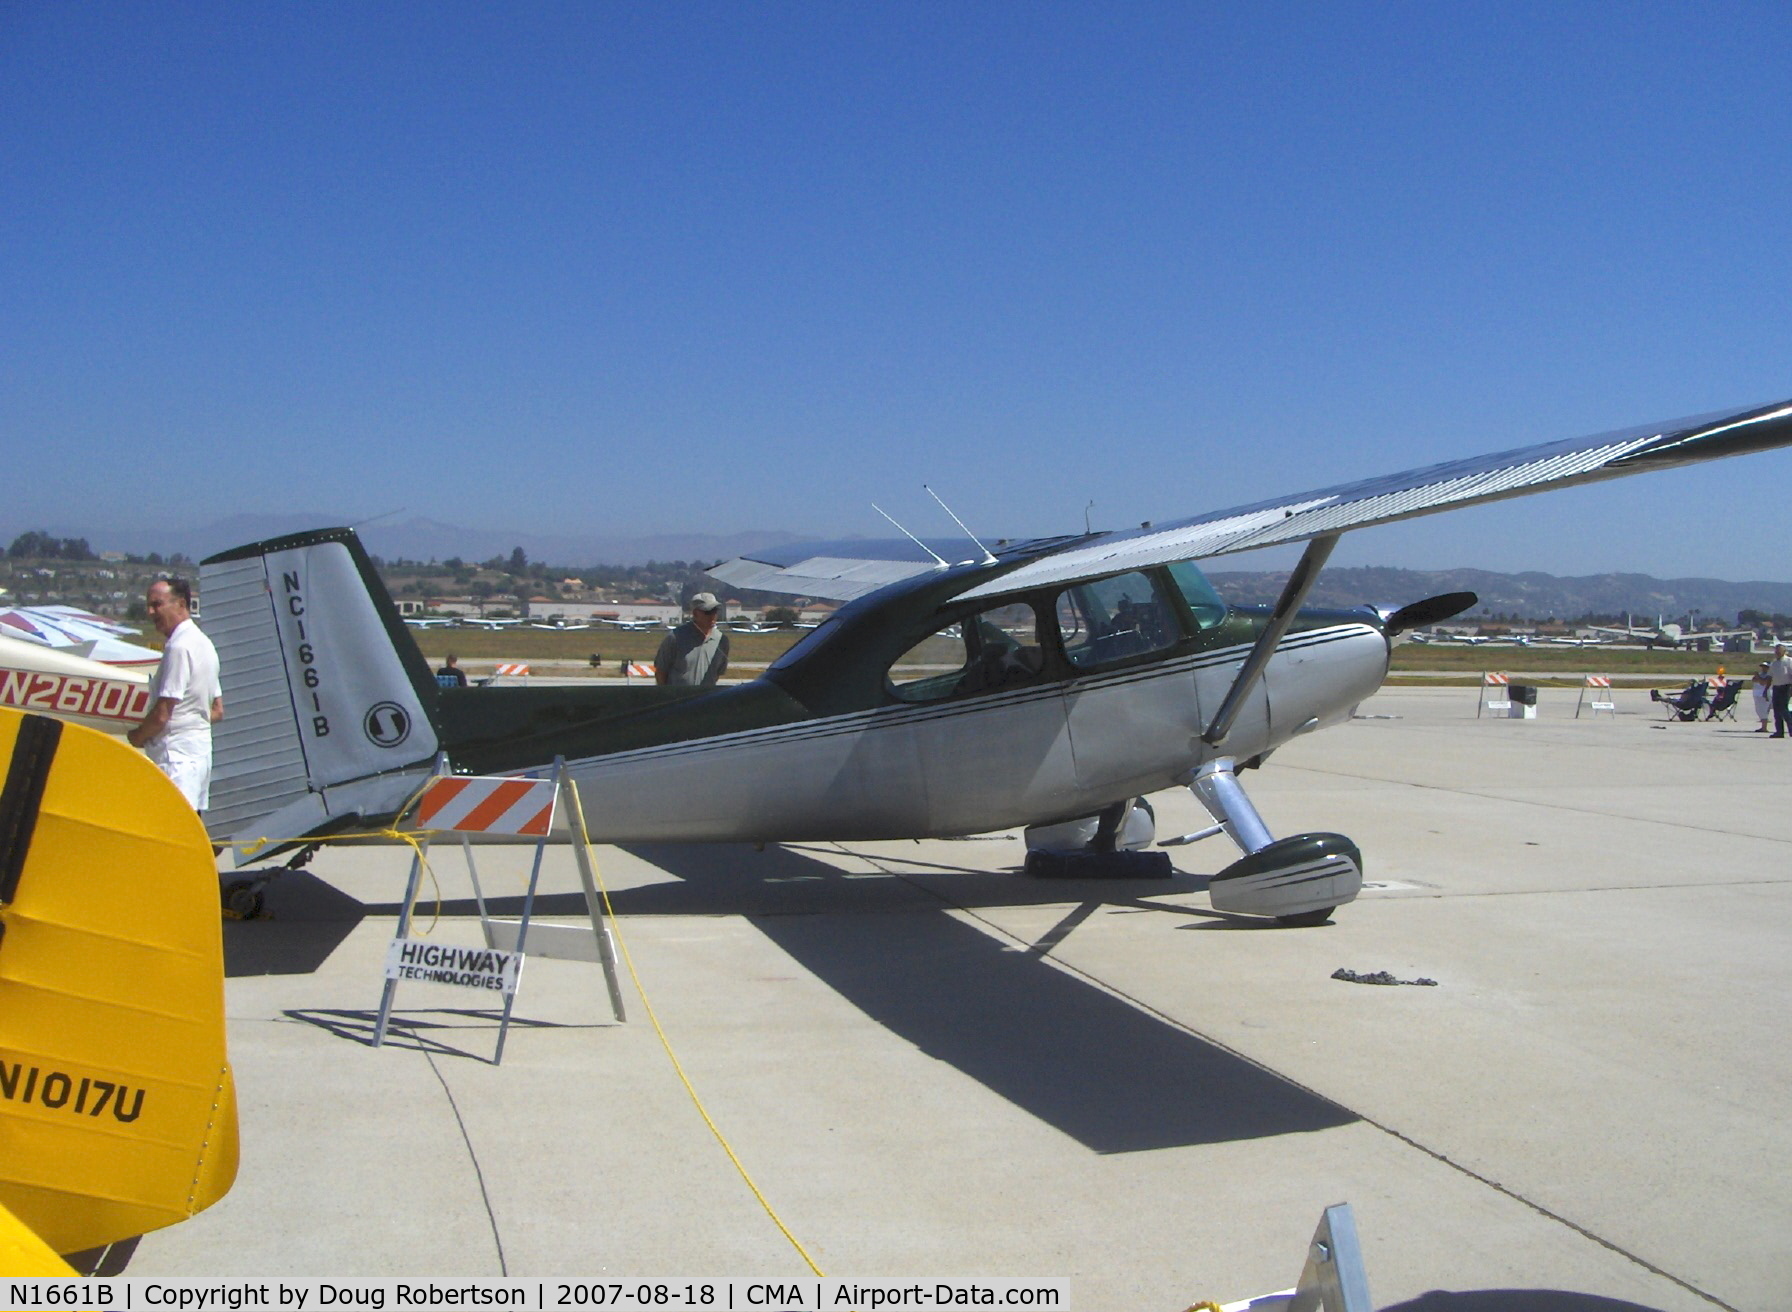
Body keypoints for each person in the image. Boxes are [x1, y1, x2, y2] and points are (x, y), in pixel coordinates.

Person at [128, 577, 223, 810]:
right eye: (149, 606)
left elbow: (163, 713)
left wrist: (138, 736)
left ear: (180, 604)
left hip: (176, 760)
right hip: (199, 757)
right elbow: (217, 710)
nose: (151, 612)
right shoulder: (205, 643)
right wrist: (190, 720)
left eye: (157, 604)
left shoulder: (178, 647)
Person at [655, 591, 729, 688]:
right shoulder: (675, 637)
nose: (713, 616)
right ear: (695, 613)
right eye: (708, 612)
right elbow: (661, 672)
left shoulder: (721, 641)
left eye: (715, 611)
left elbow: (717, 673)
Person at [1770, 644, 1792, 739]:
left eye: (1779, 651)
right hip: (1776, 688)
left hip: (1786, 687)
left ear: (1784, 651)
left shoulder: (1789, 661)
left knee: (1784, 710)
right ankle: (1779, 731)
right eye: (1776, 651)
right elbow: (1770, 676)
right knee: (1776, 711)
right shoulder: (1774, 663)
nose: (1777, 653)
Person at [1751, 661, 1773, 732]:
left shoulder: (1770, 675)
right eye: (1763, 667)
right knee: (1758, 710)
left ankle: (1764, 727)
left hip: (1765, 694)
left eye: (1766, 667)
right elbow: (1754, 680)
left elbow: (1763, 683)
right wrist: (1758, 677)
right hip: (1757, 694)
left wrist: (1758, 677)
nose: (1763, 668)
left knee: (1763, 711)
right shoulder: (1760, 674)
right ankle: (1763, 726)